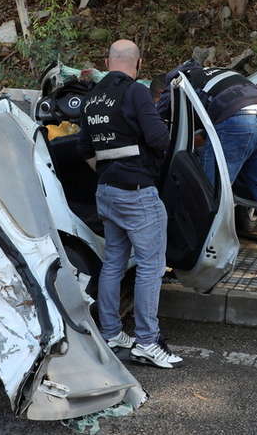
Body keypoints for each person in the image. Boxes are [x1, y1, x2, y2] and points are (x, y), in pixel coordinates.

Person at [78, 39, 181, 369]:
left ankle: (110, 333)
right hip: (137, 191)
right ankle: (148, 342)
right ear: (137, 64)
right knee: (151, 265)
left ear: (107, 61)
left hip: (105, 189)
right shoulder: (136, 91)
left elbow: (85, 148)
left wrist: (110, 170)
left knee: (113, 262)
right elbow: (158, 139)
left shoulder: (92, 98)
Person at [157, 60, 257, 287]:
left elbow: (160, 121)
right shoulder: (218, 74)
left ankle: (199, 267)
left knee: (208, 199)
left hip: (236, 123)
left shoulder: (179, 81)